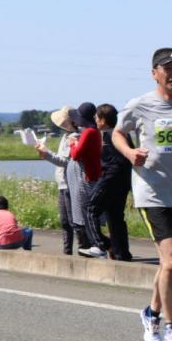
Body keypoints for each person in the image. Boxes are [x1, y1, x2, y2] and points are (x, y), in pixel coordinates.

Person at [111, 48, 172, 341]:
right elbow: (116, 133)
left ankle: (151, 313)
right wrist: (130, 153)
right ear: (155, 73)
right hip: (151, 192)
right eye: (167, 68)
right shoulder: (140, 105)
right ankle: (171, 327)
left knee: (169, 264)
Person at [35, 105, 83, 255]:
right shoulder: (65, 136)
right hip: (62, 183)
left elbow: (66, 161)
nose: (61, 126)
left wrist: (46, 153)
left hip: (70, 183)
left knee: (73, 220)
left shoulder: (76, 136)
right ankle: (67, 251)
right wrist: (46, 153)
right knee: (64, 220)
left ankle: (83, 248)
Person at [92, 103, 133, 261]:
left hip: (112, 180)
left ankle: (106, 246)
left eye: (97, 117)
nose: (95, 119)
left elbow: (113, 162)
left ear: (103, 119)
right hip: (123, 181)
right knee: (116, 218)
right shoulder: (123, 134)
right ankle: (121, 252)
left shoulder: (109, 135)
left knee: (94, 210)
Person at [70, 103, 106, 257]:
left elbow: (76, 155)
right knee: (90, 211)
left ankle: (97, 245)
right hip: (96, 176)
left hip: (89, 177)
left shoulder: (89, 132)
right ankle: (99, 244)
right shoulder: (96, 132)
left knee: (87, 211)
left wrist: (72, 144)